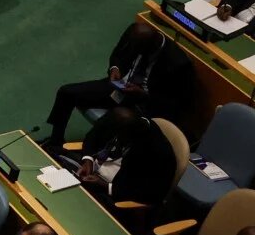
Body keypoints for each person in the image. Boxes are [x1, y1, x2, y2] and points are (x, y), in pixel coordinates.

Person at [42, 21, 190, 147]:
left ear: (151, 47)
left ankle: (92, 155)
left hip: (143, 103)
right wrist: (115, 68)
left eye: (139, 52)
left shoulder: (177, 63)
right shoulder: (134, 33)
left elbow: (173, 104)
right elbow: (117, 54)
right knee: (66, 92)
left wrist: (143, 94)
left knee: (113, 120)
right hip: (119, 86)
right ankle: (55, 141)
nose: (134, 53)